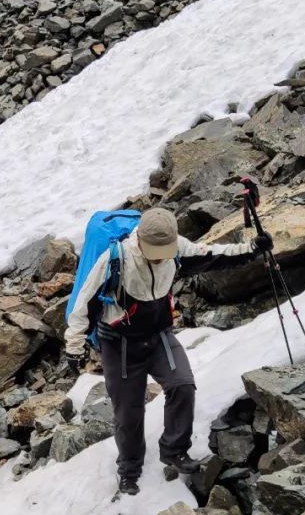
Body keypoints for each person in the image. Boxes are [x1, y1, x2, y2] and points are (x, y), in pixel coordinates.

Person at [64, 207, 273, 495]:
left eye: (164, 251)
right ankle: (129, 470)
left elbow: (212, 255)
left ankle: (174, 450)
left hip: (158, 336)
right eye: (155, 251)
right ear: (140, 240)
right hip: (120, 344)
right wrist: (74, 346)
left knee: (182, 385)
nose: (161, 257)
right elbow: (83, 305)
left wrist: (251, 249)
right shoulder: (115, 260)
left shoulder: (177, 249)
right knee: (128, 413)